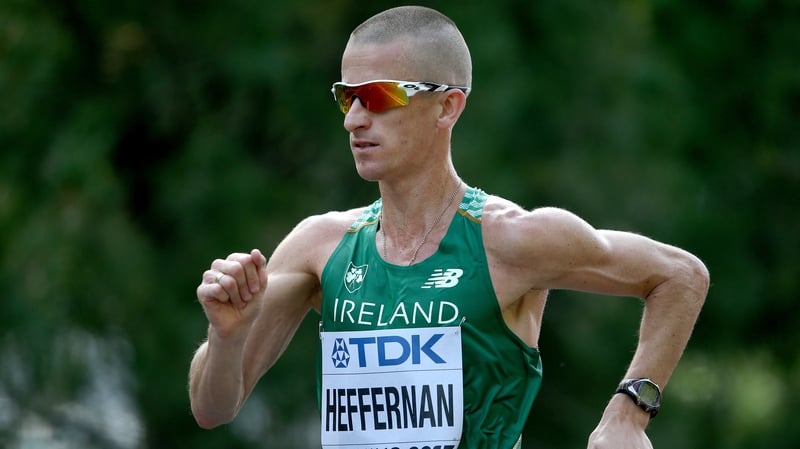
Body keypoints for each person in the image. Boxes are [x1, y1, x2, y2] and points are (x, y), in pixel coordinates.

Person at [188, 6, 709, 449]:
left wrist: (629, 410)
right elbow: (214, 408)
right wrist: (226, 338)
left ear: (447, 106)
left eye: (379, 96)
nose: (354, 119)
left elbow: (680, 275)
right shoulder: (320, 246)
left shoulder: (511, 239)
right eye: (348, 97)